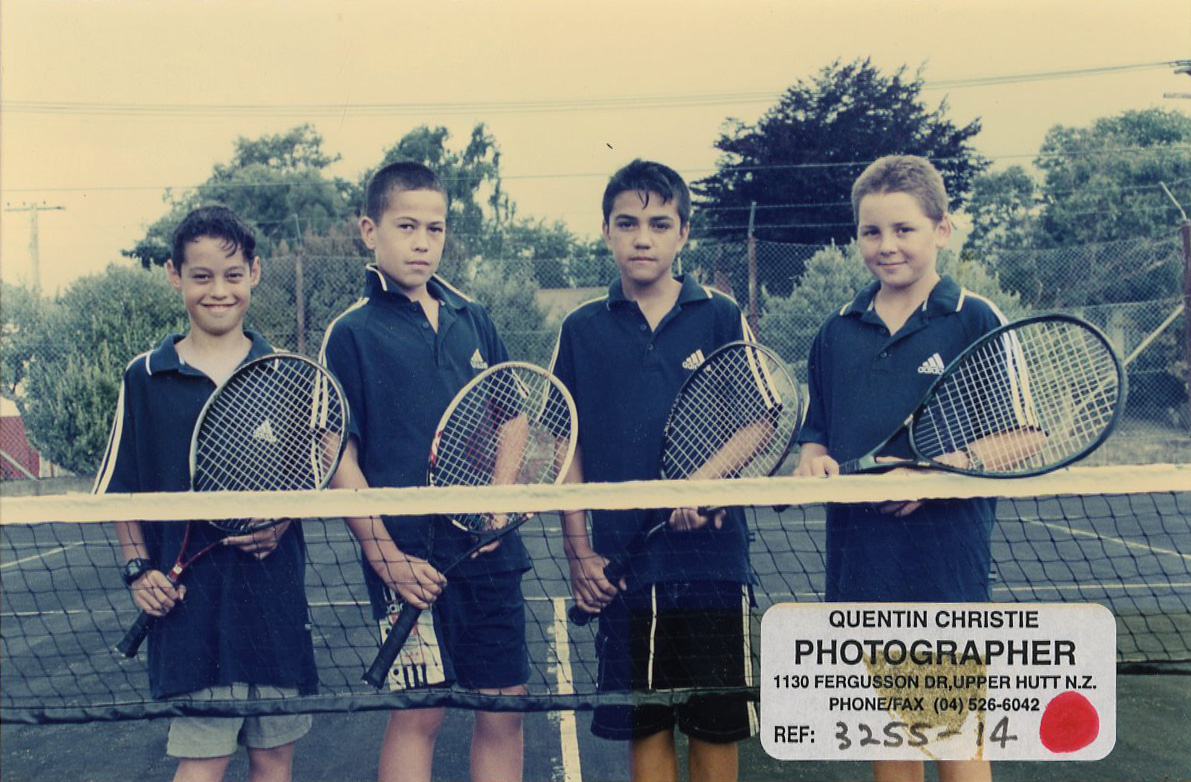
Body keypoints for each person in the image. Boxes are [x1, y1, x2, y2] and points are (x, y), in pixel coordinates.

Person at [794, 155, 1009, 782]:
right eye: (871, 232)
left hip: (945, 566)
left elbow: (1021, 435)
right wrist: (816, 464)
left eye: (904, 230)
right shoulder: (836, 332)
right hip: (863, 564)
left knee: (953, 731)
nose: (886, 246)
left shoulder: (974, 318)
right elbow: (817, 440)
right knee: (891, 731)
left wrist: (937, 471)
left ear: (942, 230)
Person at [320, 161, 529, 782]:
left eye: (434, 229)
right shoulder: (350, 333)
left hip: (491, 553)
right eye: (405, 225)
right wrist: (385, 557)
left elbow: (512, 418)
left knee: (504, 709)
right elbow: (338, 457)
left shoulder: (474, 318)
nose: (421, 242)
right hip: (408, 562)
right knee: (420, 713)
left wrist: (499, 496)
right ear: (369, 230)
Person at [551, 159, 757, 782]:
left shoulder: (720, 315)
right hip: (623, 569)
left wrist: (704, 484)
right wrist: (578, 550)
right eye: (628, 222)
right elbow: (567, 449)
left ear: (683, 234)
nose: (643, 236)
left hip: (713, 565)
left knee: (714, 724)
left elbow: (759, 418)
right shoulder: (581, 328)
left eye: (659, 223)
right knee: (645, 724)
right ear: (607, 231)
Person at [96, 205, 316, 782]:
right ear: (174, 275)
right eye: (201, 276)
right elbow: (121, 490)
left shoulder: (288, 373)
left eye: (233, 275)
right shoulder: (144, 377)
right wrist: (138, 569)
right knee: (202, 764)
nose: (218, 291)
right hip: (191, 619)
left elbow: (305, 481)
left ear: (255, 273)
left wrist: (283, 521)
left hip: (273, 609)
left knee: (274, 763)